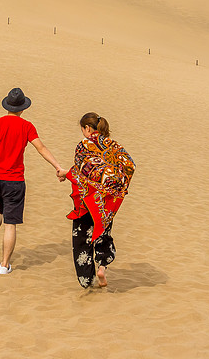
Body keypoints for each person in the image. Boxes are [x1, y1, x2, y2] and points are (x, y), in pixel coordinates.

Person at [0, 87, 65, 275]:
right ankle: (4, 266)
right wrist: (57, 167)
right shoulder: (27, 126)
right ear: (22, 108)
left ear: (7, 106)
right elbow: (41, 148)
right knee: (10, 223)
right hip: (14, 181)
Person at [57, 112, 135, 288]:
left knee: (82, 238)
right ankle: (102, 266)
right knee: (103, 233)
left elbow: (79, 173)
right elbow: (129, 165)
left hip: (86, 202)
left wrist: (64, 173)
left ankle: (86, 280)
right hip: (106, 203)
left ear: (87, 128)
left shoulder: (83, 146)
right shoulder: (113, 146)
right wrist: (118, 190)